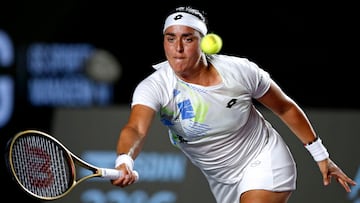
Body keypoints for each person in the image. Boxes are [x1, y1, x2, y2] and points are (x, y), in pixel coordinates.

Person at [111, 6, 357, 203]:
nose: (177, 49)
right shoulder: (154, 86)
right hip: (221, 180)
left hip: (263, 158)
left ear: (203, 42)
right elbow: (136, 129)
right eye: (170, 38)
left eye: (188, 39)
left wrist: (321, 156)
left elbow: (284, 107)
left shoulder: (240, 71)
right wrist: (125, 160)